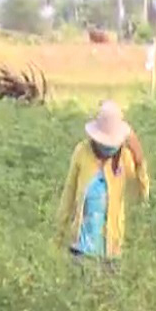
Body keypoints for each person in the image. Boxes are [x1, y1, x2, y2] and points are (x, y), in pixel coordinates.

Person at [54, 100, 148, 266]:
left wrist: (139, 160)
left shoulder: (124, 158)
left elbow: (141, 195)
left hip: (111, 253)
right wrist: (59, 236)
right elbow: (68, 195)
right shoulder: (82, 153)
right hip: (80, 251)